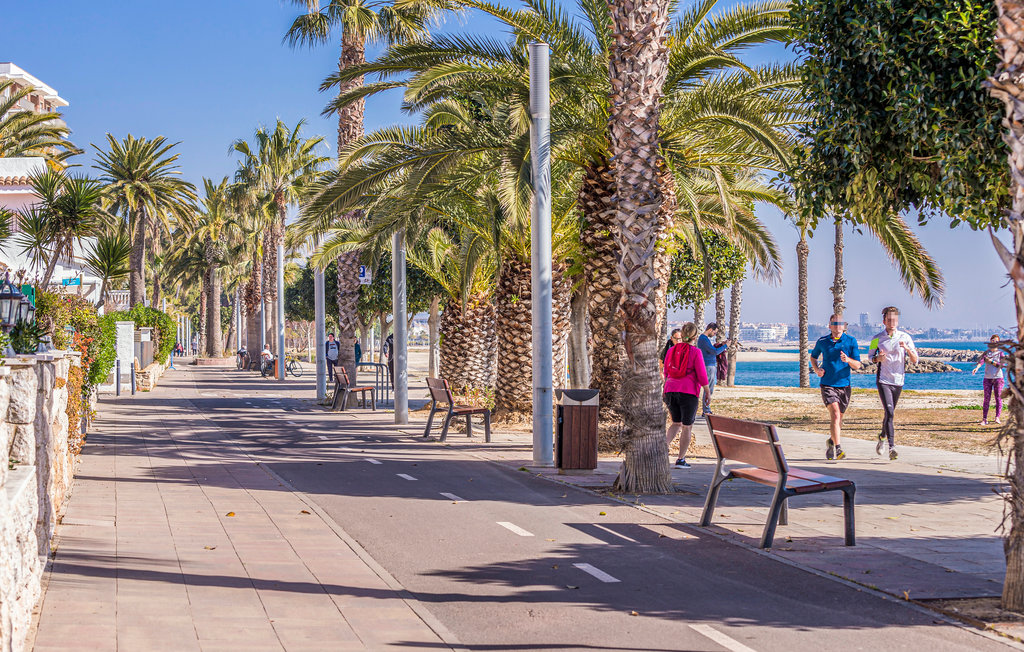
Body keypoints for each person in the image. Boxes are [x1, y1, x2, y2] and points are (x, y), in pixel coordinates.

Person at [810, 313, 862, 460]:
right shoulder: (823, 341)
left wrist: (848, 360)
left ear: (844, 326)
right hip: (827, 384)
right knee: (835, 414)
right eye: (834, 324)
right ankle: (839, 449)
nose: (837, 326)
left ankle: (832, 442)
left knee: (839, 420)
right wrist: (816, 369)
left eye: (840, 324)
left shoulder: (851, 341)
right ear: (830, 326)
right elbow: (813, 357)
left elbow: (857, 365)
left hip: (844, 385)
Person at [869, 306, 918, 460]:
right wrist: (878, 358)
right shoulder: (876, 338)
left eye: (895, 320)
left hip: (898, 380)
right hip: (883, 380)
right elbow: (870, 357)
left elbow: (915, 360)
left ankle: (882, 437)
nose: (892, 322)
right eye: (889, 320)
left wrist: (907, 349)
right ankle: (892, 448)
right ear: (884, 321)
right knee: (890, 412)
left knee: (889, 414)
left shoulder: (906, 337)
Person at [663, 322, 710, 469]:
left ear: (682, 335)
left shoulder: (671, 350)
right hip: (688, 392)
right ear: (695, 336)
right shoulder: (696, 352)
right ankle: (681, 460)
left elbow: (665, 371)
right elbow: (702, 374)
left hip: (670, 389)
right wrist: (707, 392)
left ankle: (660, 451)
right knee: (687, 426)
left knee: (675, 423)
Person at [696, 322, 729, 416]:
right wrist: (726, 346)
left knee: (709, 388)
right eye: (714, 332)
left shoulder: (704, 339)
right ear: (710, 329)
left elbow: (711, 350)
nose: (714, 334)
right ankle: (706, 410)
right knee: (709, 389)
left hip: (708, 365)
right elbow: (715, 351)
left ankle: (706, 409)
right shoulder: (703, 339)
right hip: (708, 366)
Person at [973, 334, 1006, 425]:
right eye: (992, 341)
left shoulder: (1000, 354)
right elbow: (982, 361)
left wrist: (991, 361)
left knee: (998, 398)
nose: (994, 342)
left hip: (998, 378)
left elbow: (1002, 365)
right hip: (987, 378)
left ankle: (997, 417)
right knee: (986, 399)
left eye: (996, 341)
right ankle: (984, 419)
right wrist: (977, 368)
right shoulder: (986, 353)